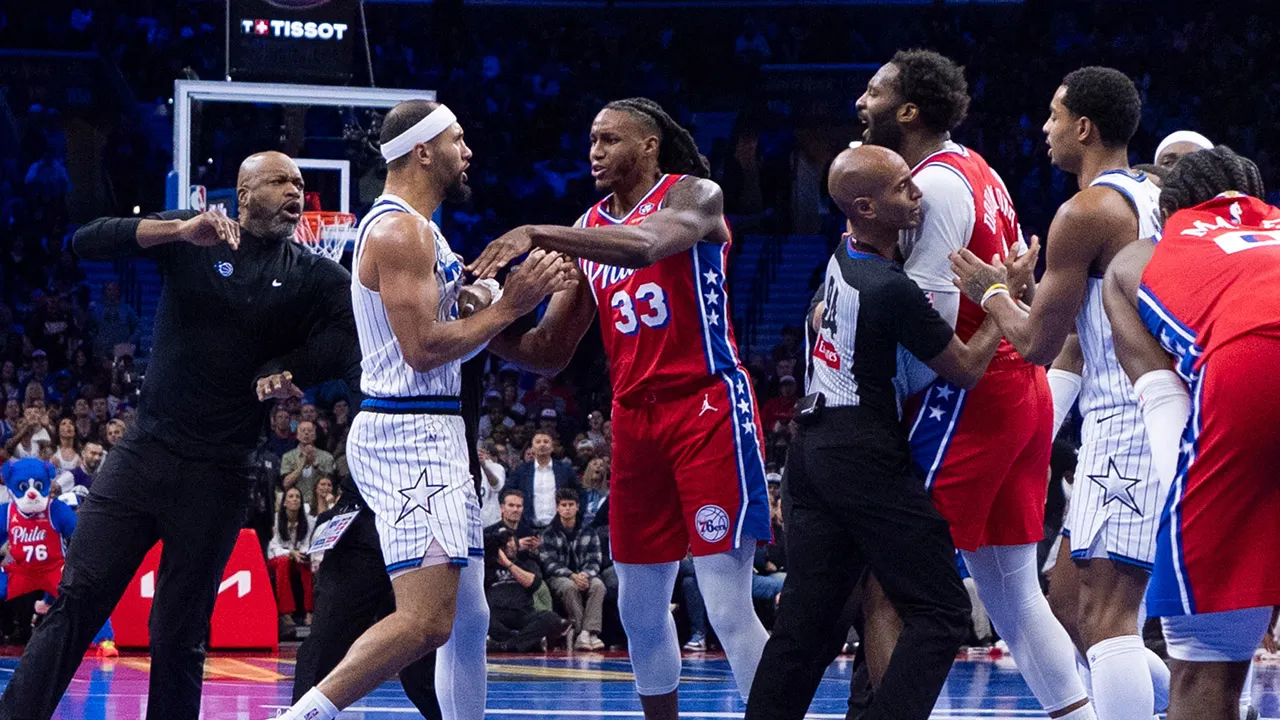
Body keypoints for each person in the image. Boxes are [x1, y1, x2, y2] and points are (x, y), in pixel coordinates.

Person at [0, 150, 362, 720]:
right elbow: (86, 241)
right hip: (144, 454)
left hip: (221, 473)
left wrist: (295, 366)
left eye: (300, 182)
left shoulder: (313, 275)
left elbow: (357, 337)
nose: (296, 191)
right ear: (242, 196)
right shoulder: (194, 237)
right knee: (78, 601)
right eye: (280, 181)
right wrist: (178, 229)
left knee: (181, 631)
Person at [472, 97, 772, 718]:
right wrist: (483, 323)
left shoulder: (694, 195)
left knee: (725, 605)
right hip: (634, 421)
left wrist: (534, 231)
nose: (595, 152)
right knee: (637, 607)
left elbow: (642, 246)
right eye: (590, 141)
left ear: (649, 144)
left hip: (707, 406)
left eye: (609, 139)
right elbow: (548, 352)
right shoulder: (589, 232)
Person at [279, 99, 571, 720]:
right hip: (410, 431)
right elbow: (422, 350)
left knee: (469, 618)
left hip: (427, 430)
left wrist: (482, 294)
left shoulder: (424, 229)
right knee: (426, 621)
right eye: (458, 139)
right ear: (423, 150)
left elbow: (443, 323)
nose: (469, 151)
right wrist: (510, 306)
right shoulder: (399, 230)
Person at [851, 49, 1091, 720]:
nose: (859, 103)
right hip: (1022, 392)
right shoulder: (976, 167)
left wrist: (876, 412)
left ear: (906, 110)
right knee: (1015, 593)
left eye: (872, 93)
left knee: (891, 583)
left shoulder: (936, 186)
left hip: (970, 398)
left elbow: (926, 329)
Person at [949, 66, 1170, 718]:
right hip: (1145, 406)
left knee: (1108, 618)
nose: (1043, 129)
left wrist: (991, 291)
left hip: (1127, 416)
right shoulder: (1156, 189)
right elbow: (1074, 341)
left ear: (1083, 127)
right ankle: (1195, 703)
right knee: (1068, 604)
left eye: (1052, 116)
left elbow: (1037, 341)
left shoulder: (1086, 211)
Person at [748, 144, 996, 720]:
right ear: (865, 206)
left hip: (810, 451)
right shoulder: (891, 289)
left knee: (805, 627)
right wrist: (999, 296)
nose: (918, 193)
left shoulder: (842, 253)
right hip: (861, 449)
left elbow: (816, 314)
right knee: (941, 608)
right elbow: (966, 369)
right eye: (903, 187)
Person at [1101, 146, 1273, 720]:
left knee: (1205, 670)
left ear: (1170, 210)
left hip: (1254, 366)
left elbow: (1165, 403)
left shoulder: (1140, 256)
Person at [537, 487, 606, 650]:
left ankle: (588, 632)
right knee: (569, 587)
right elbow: (549, 563)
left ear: (577, 506)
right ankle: (583, 632)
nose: (567, 508)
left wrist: (585, 575)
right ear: (557, 508)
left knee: (598, 585)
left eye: (570, 505)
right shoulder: (548, 533)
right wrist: (572, 575)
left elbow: (595, 560)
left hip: (585, 575)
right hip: (560, 577)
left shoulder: (589, 531)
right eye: (563, 505)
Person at [505, 431, 578, 528]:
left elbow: (580, 492)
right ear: (532, 448)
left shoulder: (565, 469)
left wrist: (577, 517)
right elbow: (506, 492)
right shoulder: (522, 470)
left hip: (560, 527)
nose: (542, 444)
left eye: (546, 441)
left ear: (552, 447)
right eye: (538, 442)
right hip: (528, 527)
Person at [268, 486, 315, 633]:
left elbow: (307, 544)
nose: (294, 499)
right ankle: (286, 612)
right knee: (284, 562)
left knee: (306, 563)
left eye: (297, 497)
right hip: (276, 559)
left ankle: (310, 611)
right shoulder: (275, 519)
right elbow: (273, 548)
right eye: (291, 496)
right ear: (284, 502)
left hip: (296, 558)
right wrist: (291, 553)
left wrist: (300, 554)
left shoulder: (307, 521)